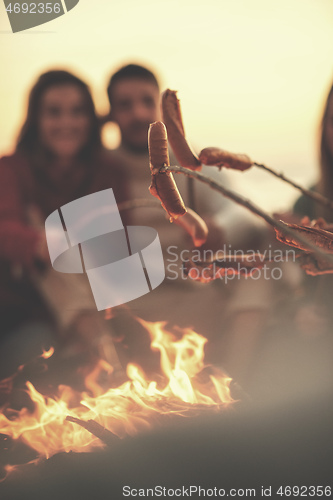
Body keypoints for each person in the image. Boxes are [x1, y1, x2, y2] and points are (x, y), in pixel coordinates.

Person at [0, 70, 127, 379]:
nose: (67, 123)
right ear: (36, 120)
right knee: (54, 244)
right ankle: (105, 356)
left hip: (97, 295)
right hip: (28, 305)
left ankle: (100, 349)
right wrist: (42, 243)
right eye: (54, 113)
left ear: (91, 119)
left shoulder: (107, 172)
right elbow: (4, 228)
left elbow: (119, 243)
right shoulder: (12, 168)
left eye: (78, 112)